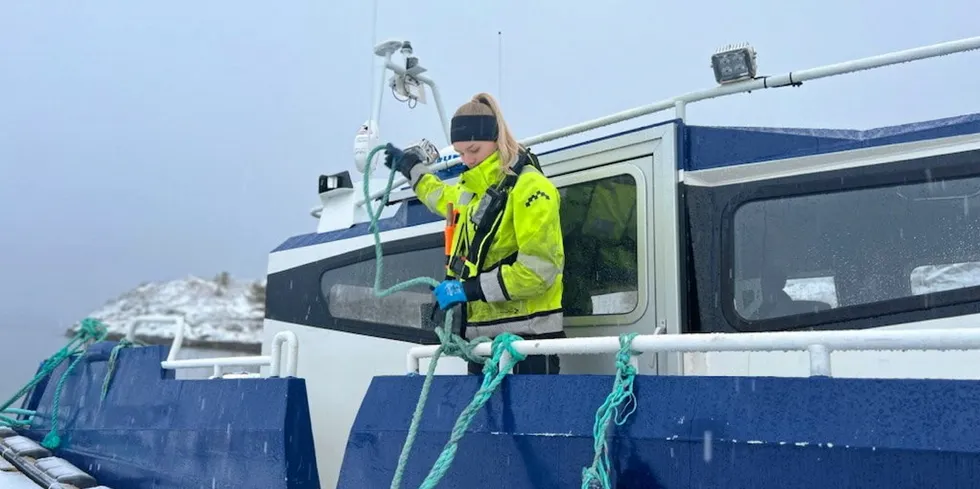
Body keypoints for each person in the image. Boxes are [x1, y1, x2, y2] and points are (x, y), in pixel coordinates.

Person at [383, 92, 566, 375]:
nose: (467, 160)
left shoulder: (532, 189)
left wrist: (468, 289)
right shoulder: (470, 191)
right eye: (459, 153)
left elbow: (539, 271)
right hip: (482, 347)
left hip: (530, 345)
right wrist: (412, 169)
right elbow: (439, 196)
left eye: (474, 150)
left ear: (496, 139)